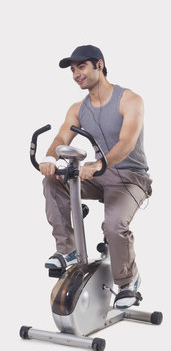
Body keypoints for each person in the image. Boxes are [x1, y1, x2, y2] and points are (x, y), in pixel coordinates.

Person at [39, 45, 152, 309]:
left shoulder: (130, 99)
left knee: (113, 227)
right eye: (73, 70)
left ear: (99, 65)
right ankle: (67, 251)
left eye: (82, 67)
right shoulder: (78, 108)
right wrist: (50, 159)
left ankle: (127, 282)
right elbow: (61, 138)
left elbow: (126, 142)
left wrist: (100, 163)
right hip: (97, 173)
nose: (76, 73)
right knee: (53, 181)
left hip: (131, 178)